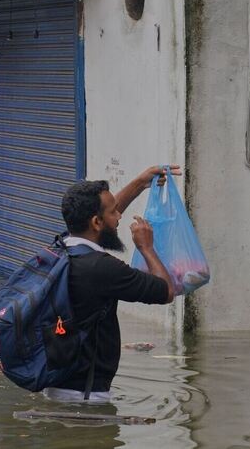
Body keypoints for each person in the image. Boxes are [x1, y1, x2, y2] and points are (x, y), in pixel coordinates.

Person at [41, 165, 180, 402]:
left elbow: (102, 224)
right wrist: (146, 247)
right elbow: (166, 291)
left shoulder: (61, 249)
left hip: (57, 386)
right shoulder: (103, 269)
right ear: (96, 222)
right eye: (114, 213)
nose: (119, 217)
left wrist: (139, 183)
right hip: (87, 398)